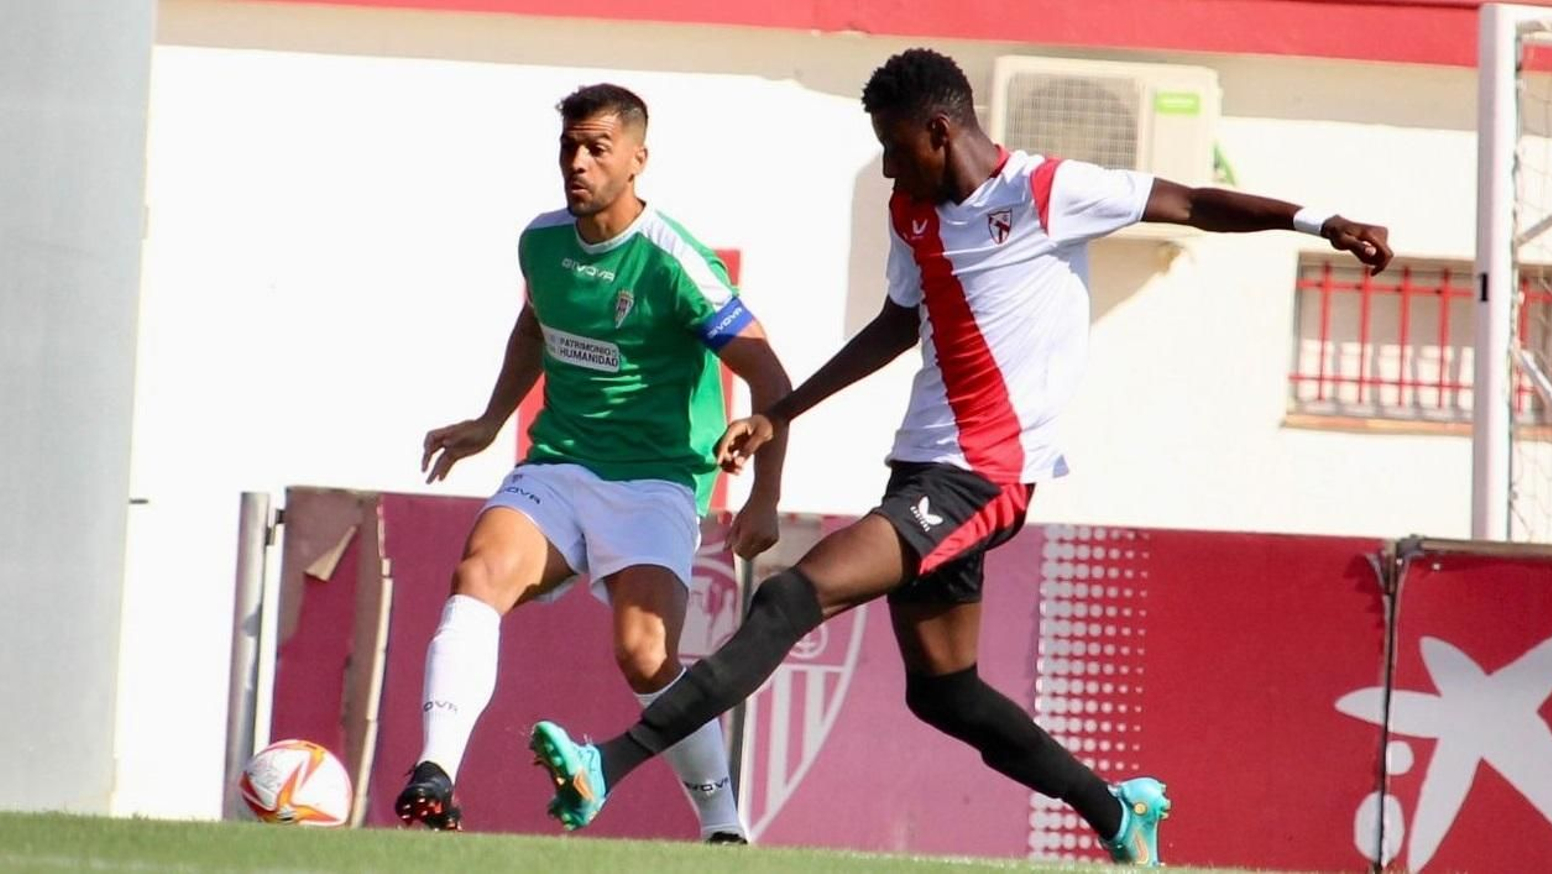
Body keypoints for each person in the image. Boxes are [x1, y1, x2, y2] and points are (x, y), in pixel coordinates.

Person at [528, 50, 1391, 866]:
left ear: (939, 132)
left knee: (796, 591)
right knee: (942, 691)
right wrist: (780, 414)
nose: (892, 174)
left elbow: (1196, 203)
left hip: (984, 477)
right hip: (920, 468)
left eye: (897, 153)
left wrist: (1323, 222)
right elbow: (898, 324)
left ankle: (608, 764)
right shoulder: (912, 212)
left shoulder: (1052, 191)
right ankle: (1118, 812)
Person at [395, 83, 790, 845]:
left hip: (654, 480)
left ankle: (723, 828)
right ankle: (433, 777)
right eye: (568, 148)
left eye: (596, 148)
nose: (577, 162)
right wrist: (489, 421)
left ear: (638, 160)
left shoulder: (678, 262)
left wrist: (766, 499)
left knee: (645, 657)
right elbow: (534, 325)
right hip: (560, 464)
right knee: (478, 574)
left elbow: (774, 381)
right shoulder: (541, 242)